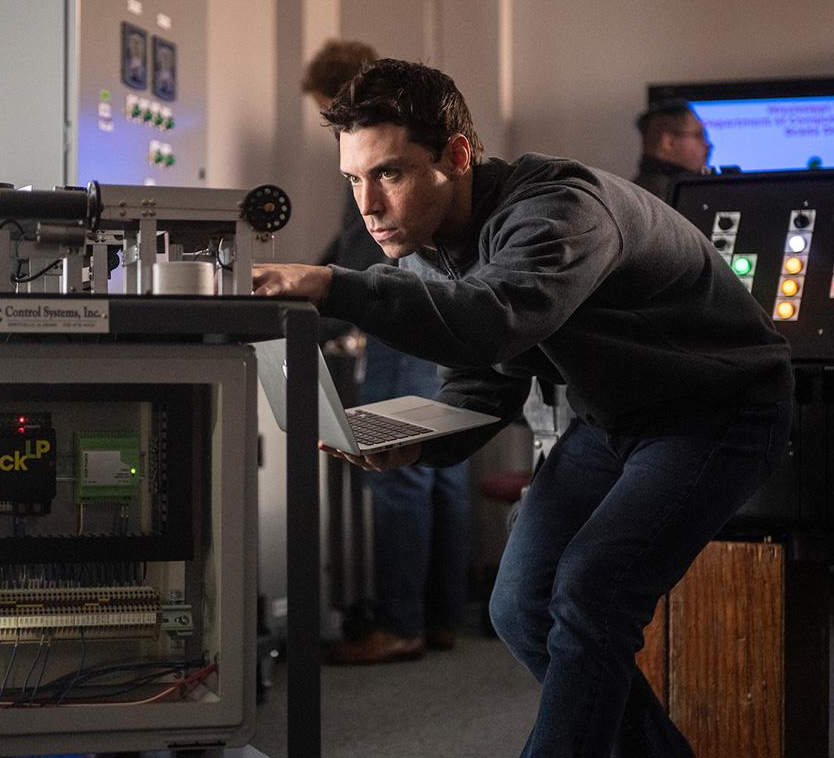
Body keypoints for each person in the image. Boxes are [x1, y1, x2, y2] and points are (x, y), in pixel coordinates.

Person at [253, 58, 793, 756]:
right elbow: (486, 376)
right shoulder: (435, 246)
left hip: (717, 412)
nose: (368, 205)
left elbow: (492, 320)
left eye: (388, 173)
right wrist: (418, 440)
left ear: (456, 155)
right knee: (520, 605)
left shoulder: (558, 209)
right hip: (614, 421)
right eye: (354, 179)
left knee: (591, 596)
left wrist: (333, 283)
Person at [301, 40, 472, 664]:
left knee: (398, 467)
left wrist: (310, 308)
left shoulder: (383, 165)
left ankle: (399, 624)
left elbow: (354, 260)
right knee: (443, 468)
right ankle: (439, 619)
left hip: (400, 326)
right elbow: (345, 248)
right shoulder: (398, 169)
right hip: (441, 321)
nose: (367, 195)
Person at [632, 99, 711, 201]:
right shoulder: (678, 195)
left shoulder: (634, 191)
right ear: (668, 143)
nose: (707, 145)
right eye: (699, 135)